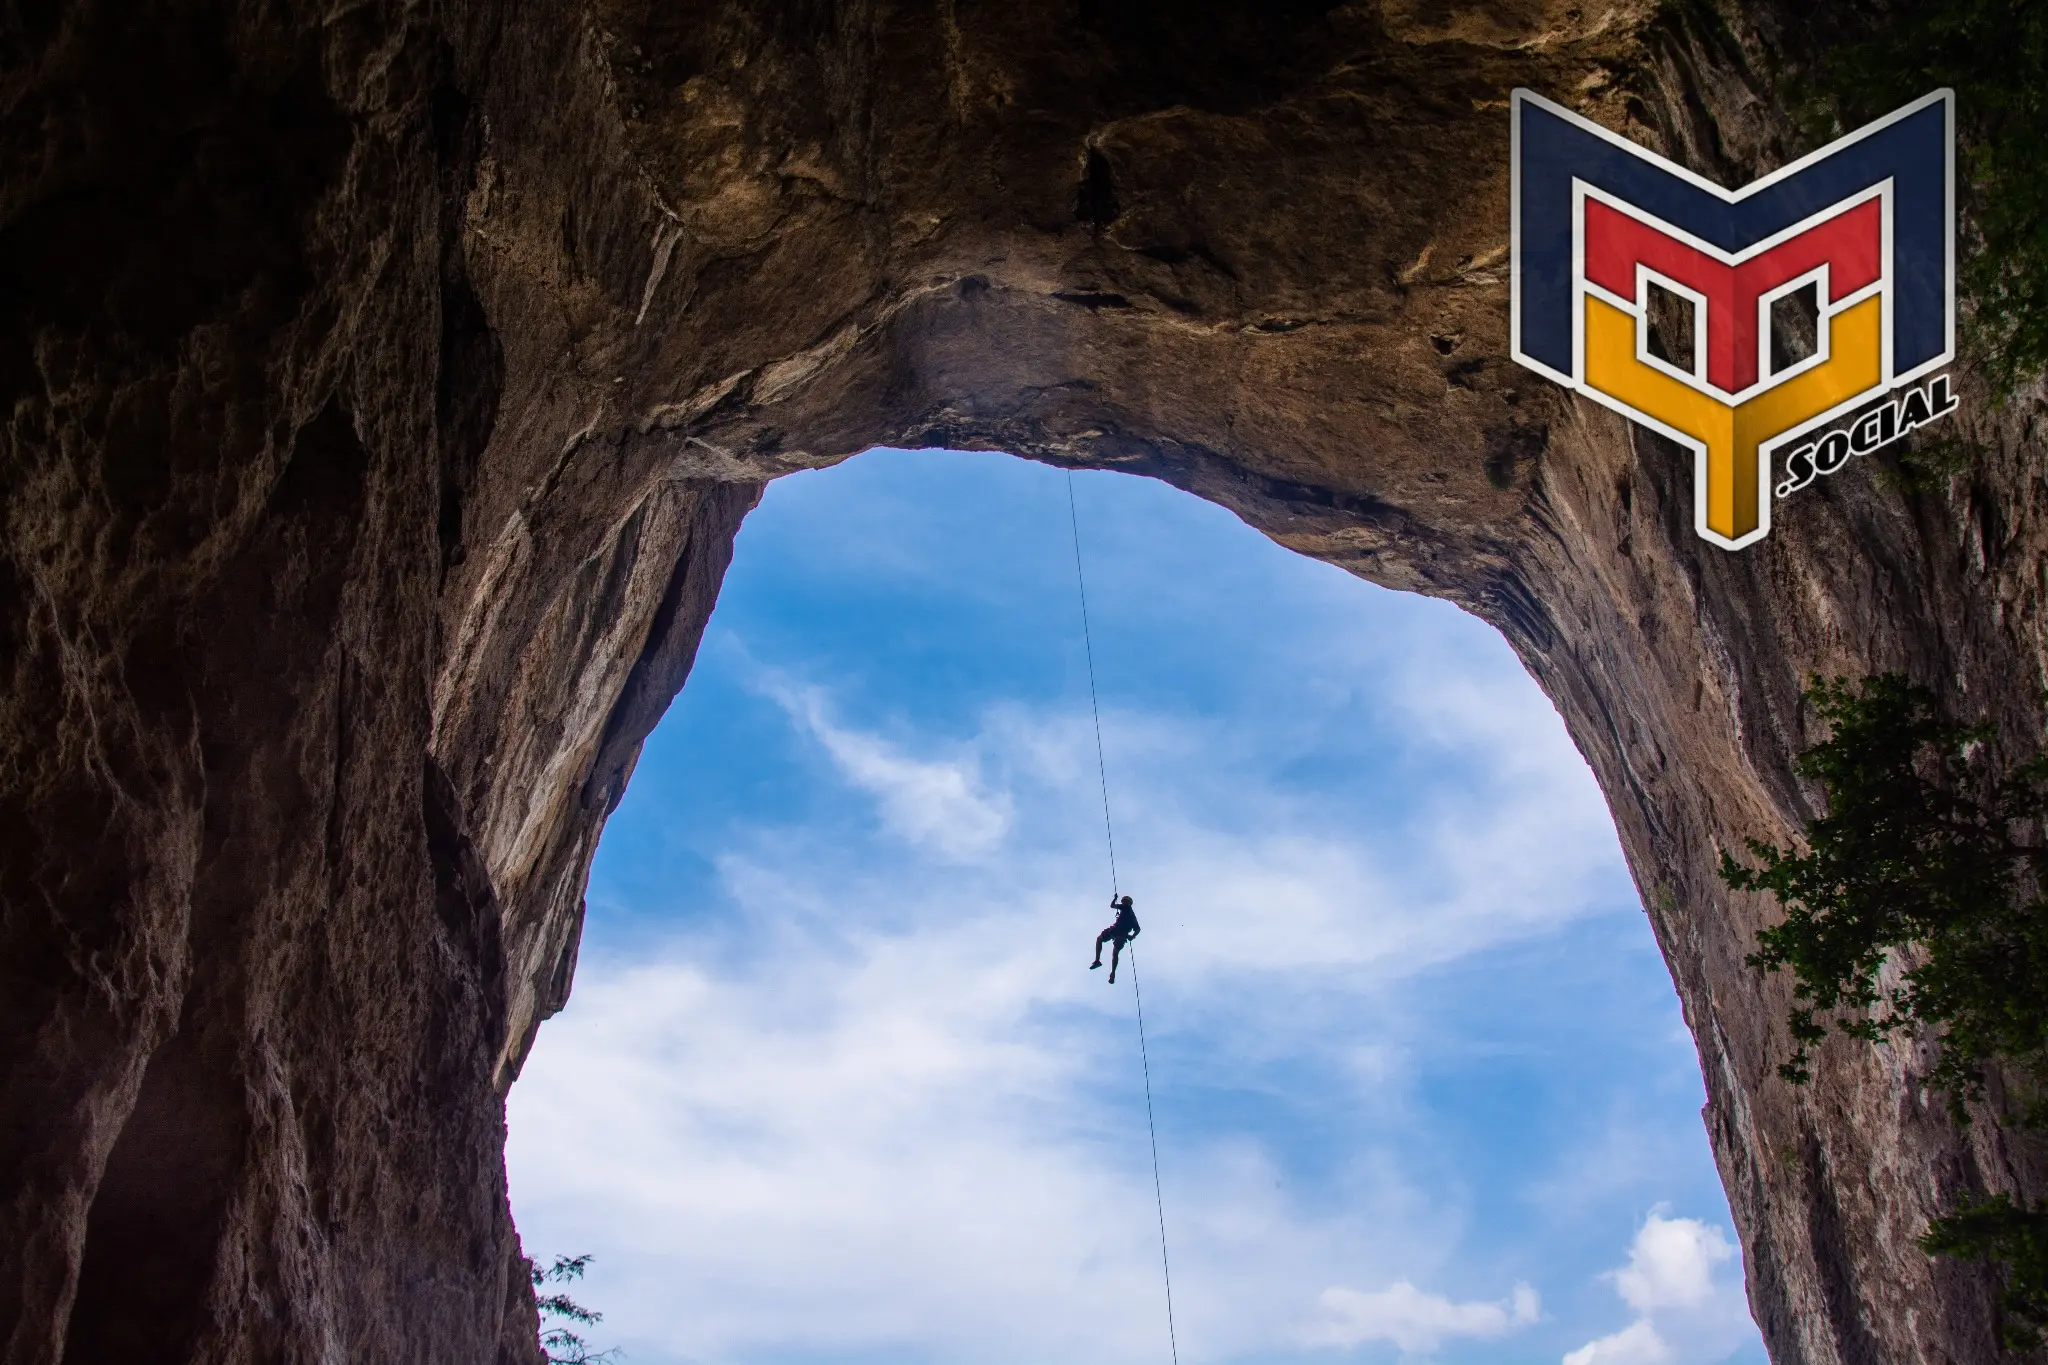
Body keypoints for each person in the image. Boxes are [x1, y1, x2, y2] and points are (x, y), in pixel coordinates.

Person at [1091, 894, 1141, 983]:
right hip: (1118, 933)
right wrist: (1132, 936)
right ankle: (1107, 969)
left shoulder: (1126, 908)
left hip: (1117, 933)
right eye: (1122, 902)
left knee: (1111, 950)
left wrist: (1114, 899)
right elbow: (1137, 929)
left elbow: (1112, 906)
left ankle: (1107, 968)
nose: (1122, 903)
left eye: (1124, 902)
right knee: (1113, 951)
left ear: (1128, 903)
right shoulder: (1132, 915)